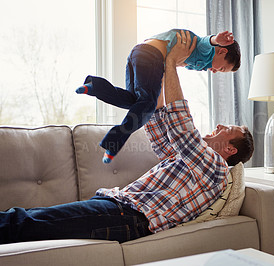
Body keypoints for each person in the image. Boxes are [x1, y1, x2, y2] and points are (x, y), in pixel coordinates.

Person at [0, 31, 253, 244]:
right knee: (29, 219)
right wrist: (160, 76)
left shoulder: (216, 169)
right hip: (117, 207)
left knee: (23, 221)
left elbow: (181, 128)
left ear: (230, 149)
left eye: (228, 128)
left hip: (127, 215)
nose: (219, 124)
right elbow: (158, 125)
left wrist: (171, 62)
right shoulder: (188, 161)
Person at [76, 28, 241, 163]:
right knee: (148, 107)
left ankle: (95, 86)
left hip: (139, 53)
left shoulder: (200, 63)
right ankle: (113, 142)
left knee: (136, 102)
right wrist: (216, 40)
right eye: (221, 69)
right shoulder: (207, 51)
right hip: (151, 56)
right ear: (221, 51)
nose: (215, 71)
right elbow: (206, 42)